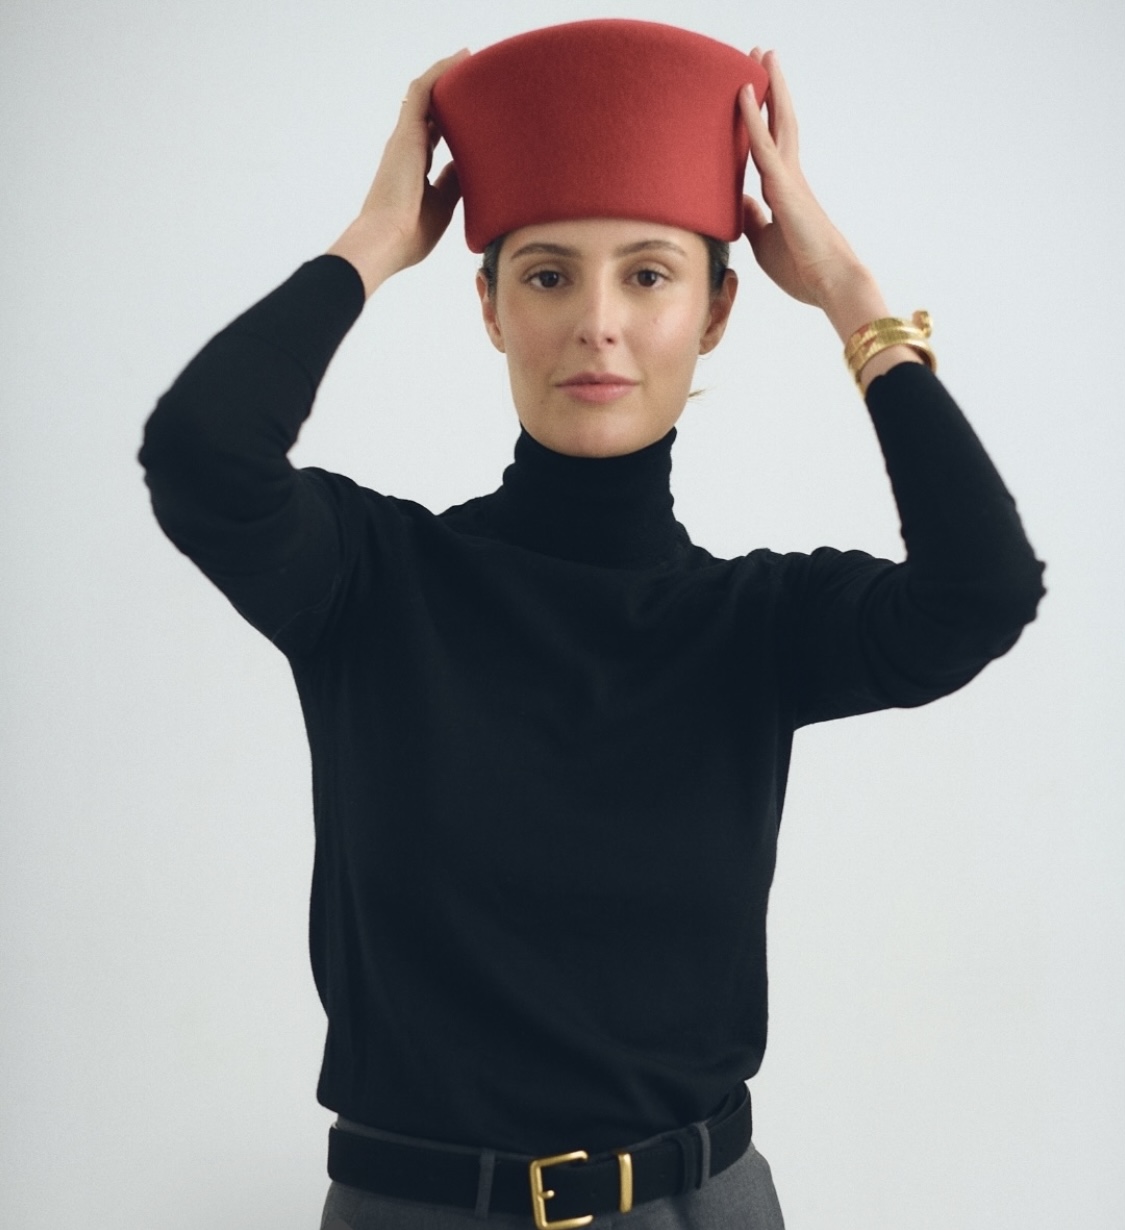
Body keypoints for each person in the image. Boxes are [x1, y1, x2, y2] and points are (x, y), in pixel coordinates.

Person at [139, 20, 1045, 1230]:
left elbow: (983, 591)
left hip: (705, 1204)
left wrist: (850, 294)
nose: (598, 323)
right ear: (490, 308)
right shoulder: (372, 580)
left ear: (717, 311)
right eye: (548, 275)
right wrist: (375, 240)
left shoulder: (756, 624)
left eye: (651, 275)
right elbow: (201, 456)